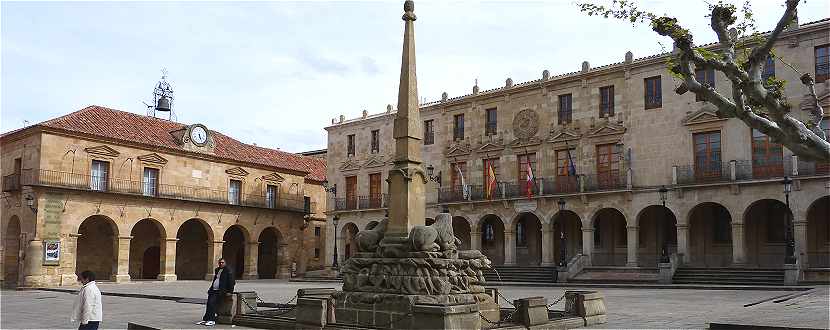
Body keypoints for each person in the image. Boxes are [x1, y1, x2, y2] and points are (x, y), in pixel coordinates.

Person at [197, 258, 235, 326]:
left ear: (225, 263)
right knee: (209, 304)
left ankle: (212, 319)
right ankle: (205, 319)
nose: (221, 264)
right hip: (213, 290)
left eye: (222, 262)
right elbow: (215, 279)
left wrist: (230, 291)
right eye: (220, 262)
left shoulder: (228, 270)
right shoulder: (217, 270)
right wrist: (210, 289)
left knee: (212, 304)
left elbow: (232, 282)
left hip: (220, 291)